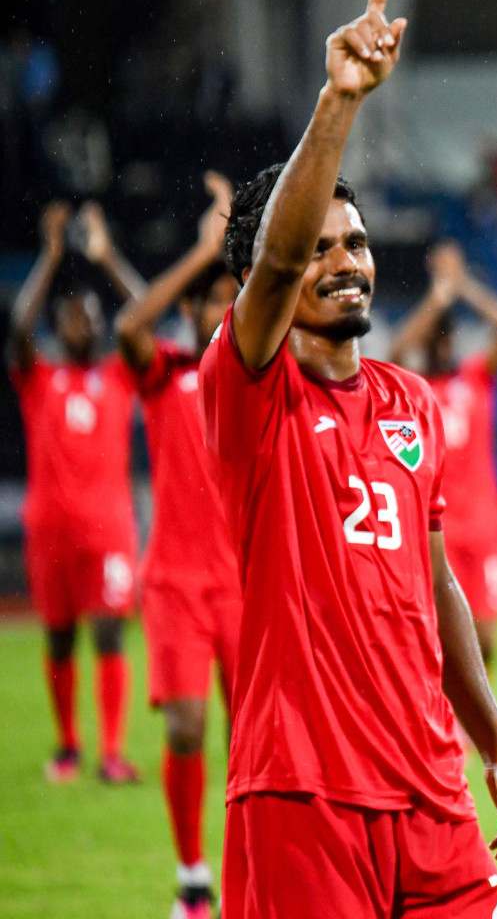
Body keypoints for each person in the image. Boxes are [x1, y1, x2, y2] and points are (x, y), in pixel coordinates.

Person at [200, 0, 497, 918]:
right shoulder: (245, 392)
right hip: (302, 789)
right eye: (321, 248)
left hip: (429, 790)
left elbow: (437, 591)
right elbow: (272, 258)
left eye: (353, 243)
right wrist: (339, 102)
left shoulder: (413, 402)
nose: (345, 260)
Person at [113, 172, 242, 918]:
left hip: (243, 583)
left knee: (250, 739)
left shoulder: (251, 380)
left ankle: (244, 875)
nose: (223, 313)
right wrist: (202, 253)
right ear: (192, 312)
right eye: (211, 302)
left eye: (234, 301)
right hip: (174, 582)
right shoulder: (164, 375)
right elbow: (131, 326)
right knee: (188, 727)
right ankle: (192, 875)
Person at [9, 199, 145, 785]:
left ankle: (111, 753)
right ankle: (68, 746)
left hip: (109, 530)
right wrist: (51, 255)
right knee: (60, 640)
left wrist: (109, 258)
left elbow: (144, 311)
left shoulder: (118, 375)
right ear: (59, 330)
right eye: (71, 319)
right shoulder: (39, 379)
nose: (81, 325)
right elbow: (18, 327)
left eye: (89, 317)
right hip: (51, 530)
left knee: (109, 633)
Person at [390, 240, 497, 666]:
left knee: (485, 638)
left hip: (483, 525)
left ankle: (469, 715)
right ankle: (446, 723)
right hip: (434, 534)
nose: (435, 346)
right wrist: (436, 298)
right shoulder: (411, 390)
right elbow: (394, 351)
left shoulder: (476, 378)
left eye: (440, 338)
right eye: (431, 338)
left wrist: (462, 286)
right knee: (434, 635)